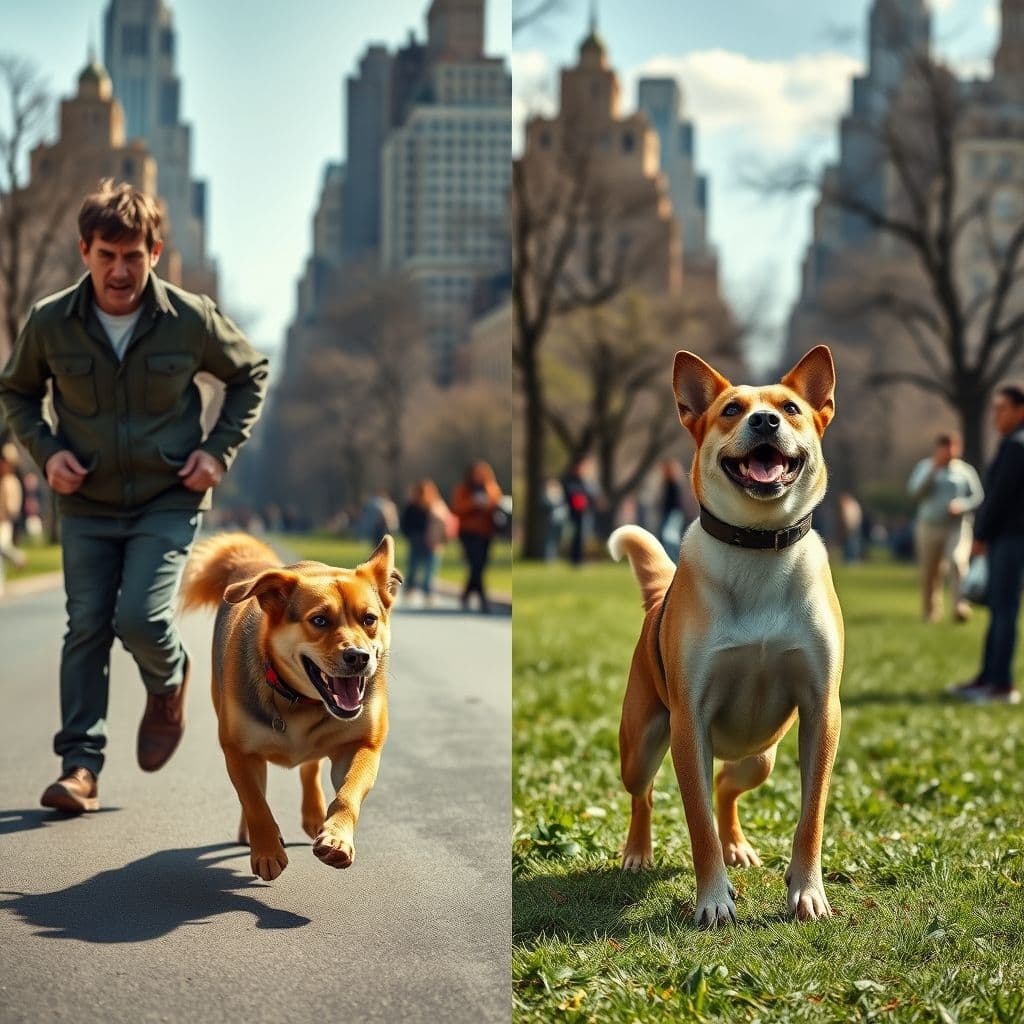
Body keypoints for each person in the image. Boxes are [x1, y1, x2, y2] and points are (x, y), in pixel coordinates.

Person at [0, 180, 268, 812]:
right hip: (87, 501)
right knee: (86, 627)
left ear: (155, 250)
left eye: (133, 256)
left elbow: (249, 373)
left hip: (166, 497)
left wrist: (217, 451)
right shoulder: (50, 322)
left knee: (141, 619)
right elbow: (16, 391)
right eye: (106, 255)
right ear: (85, 251)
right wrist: (46, 453)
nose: (120, 271)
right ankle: (80, 768)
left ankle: (169, 681)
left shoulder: (190, 319)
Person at [949, 388, 1024, 704]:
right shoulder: (1012, 444)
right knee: (999, 609)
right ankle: (987, 677)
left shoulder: (1018, 446)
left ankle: (1001, 684)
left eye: (1002, 409)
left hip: (1011, 537)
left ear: (1021, 410)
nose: (996, 415)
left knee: (1004, 610)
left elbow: (1000, 498)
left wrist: (980, 536)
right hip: (1006, 538)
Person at [908, 433, 984, 623]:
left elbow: (978, 496)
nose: (949, 451)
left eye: (952, 447)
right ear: (938, 449)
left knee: (958, 561)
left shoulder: (965, 471)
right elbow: (914, 492)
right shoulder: (925, 467)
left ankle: (960, 605)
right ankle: (930, 611)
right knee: (930, 570)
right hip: (929, 526)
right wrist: (933, 470)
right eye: (945, 447)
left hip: (956, 527)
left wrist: (963, 505)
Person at [451, 460, 503, 613]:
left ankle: (466, 594)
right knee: (475, 563)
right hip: (468, 531)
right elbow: (457, 508)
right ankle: (483, 599)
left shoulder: (491, 487)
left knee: (480, 565)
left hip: (486, 531)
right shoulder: (463, 489)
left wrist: (487, 503)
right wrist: (473, 503)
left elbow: (497, 503)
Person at [400, 478, 453, 604]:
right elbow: (406, 523)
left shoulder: (436, 506)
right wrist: (411, 535)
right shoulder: (412, 507)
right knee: (413, 568)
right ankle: (410, 589)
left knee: (430, 570)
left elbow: (445, 523)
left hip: (433, 542)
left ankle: (428, 592)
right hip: (417, 540)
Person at [0, 442, 28, 593]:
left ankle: (18, 557)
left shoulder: (12, 481)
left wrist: (8, 515)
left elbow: (13, 505)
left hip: (5, 521)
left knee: (2, 547)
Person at [561, 457, 598, 566]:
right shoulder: (570, 480)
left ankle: (579, 559)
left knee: (582, 537)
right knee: (577, 536)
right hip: (574, 512)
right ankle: (575, 559)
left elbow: (592, 494)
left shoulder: (585, 481)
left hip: (584, 512)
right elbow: (571, 493)